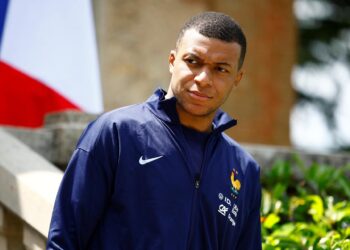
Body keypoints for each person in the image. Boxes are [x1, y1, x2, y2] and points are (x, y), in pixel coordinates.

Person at [47, 11, 262, 250]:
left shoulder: (244, 170)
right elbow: (65, 240)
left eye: (220, 69)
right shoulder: (116, 133)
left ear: (237, 78)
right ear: (172, 61)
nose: (203, 78)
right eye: (193, 61)